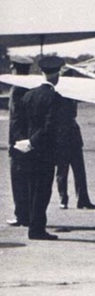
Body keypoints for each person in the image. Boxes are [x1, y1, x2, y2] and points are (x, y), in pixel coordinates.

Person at [15, 56, 66, 240]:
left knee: (31, 189)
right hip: (44, 151)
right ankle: (36, 229)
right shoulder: (55, 97)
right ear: (57, 75)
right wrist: (33, 142)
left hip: (27, 151)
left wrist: (23, 142)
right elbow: (49, 127)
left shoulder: (28, 95)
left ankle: (33, 225)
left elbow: (19, 123)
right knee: (43, 190)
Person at [54, 92, 95, 210]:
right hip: (63, 138)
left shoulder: (70, 97)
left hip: (72, 138)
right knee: (63, 171)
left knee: (77, 171)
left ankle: (81, 199)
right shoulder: (57, 97)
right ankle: (64, 199)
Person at [7, 56, 33, 226]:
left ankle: (21, 215)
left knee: (18, 179)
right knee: (29, 179)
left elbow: (16, 119)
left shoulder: (17, 90)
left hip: (19, 141)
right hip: (30, 139)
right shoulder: (30, 87)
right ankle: (29, 213)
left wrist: (15, 143)